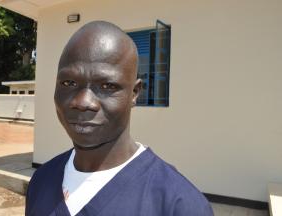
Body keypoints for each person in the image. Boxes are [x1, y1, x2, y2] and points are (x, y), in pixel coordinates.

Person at [25, 20, 214, 216]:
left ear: (134, 93)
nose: (82, 102)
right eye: (69, 82)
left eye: (107, 86)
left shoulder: (179, 205)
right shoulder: (42, 181)